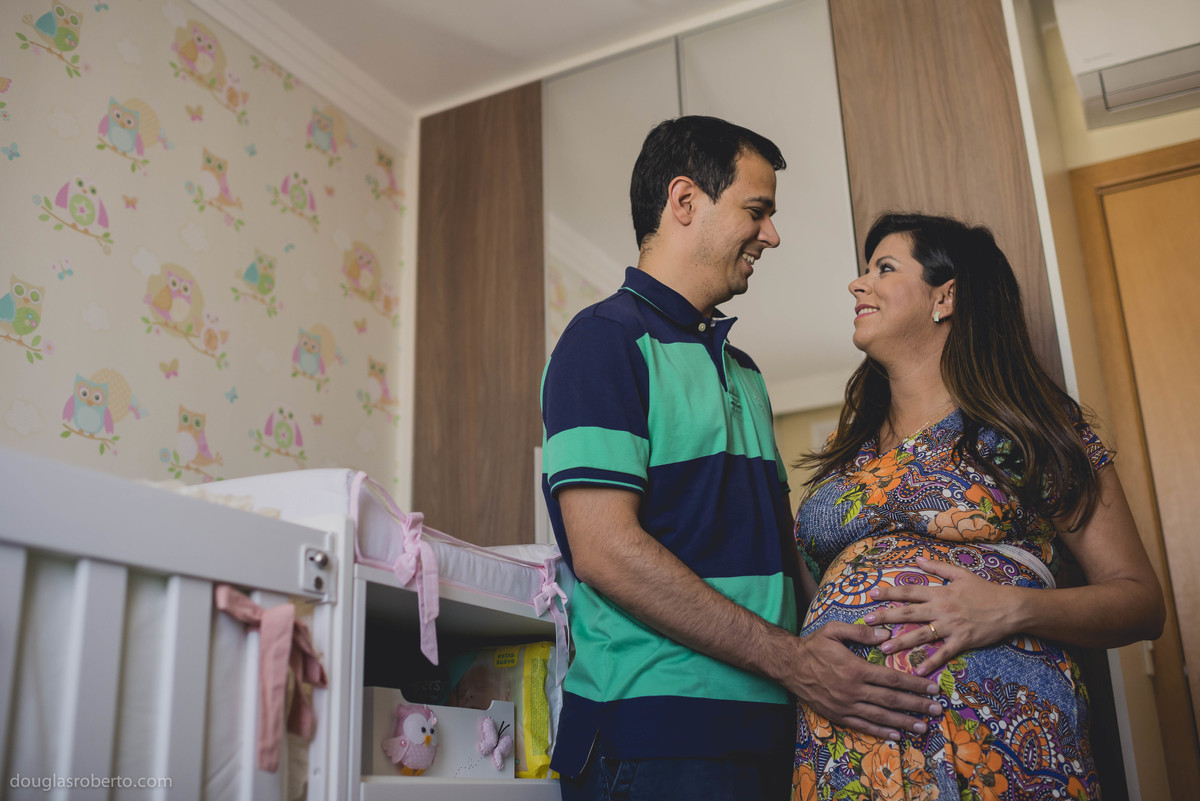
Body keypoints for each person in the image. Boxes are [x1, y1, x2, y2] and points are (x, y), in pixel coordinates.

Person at [540, 118, 943, 801]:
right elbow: (605, 550)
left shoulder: (746, 374)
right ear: (685, 202)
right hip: (656, 741)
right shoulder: (603, 342)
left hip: (767, 737)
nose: (772, 235)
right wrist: (795, 661)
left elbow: (776, 559)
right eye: (757, 212)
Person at [790, 212, 1165, 800]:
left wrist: (1009, 609)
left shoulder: (1027, 430)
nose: (857, 285)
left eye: (883, 269)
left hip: (994, 742)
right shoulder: (848, 459)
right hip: (848, 748)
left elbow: (1140, 602)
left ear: (947, 295)